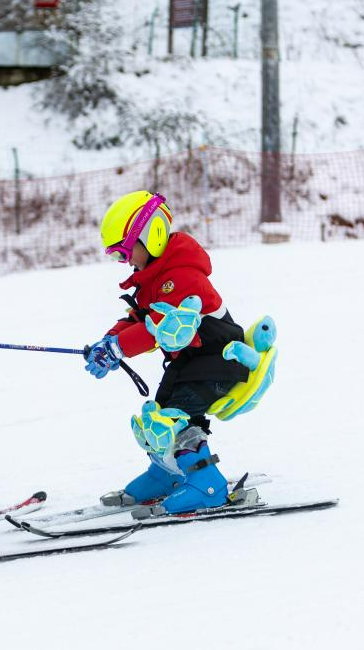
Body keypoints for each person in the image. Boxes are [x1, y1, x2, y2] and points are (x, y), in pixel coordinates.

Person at [84, 190, 252, 516]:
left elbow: (160, 325)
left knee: (172, 420)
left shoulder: (182, 277)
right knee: (157, 418)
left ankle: (208, 485)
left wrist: (120, 348)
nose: (125, 261)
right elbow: (139, 317)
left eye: (124, 252)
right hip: (192, 364)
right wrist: (108, 342)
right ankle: (168, 474)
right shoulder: (157, 277)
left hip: (219, 361)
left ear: (152, 236)